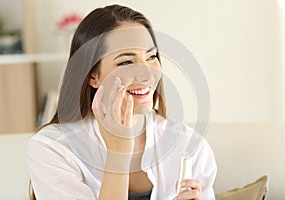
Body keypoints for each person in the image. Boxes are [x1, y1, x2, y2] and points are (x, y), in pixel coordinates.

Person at [27, 4, 217, 200]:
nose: (147, 73)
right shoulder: (52, 148)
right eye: (126, 62)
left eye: (151, 57)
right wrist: (118, 150)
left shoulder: (188, 145)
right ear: (92, 75)